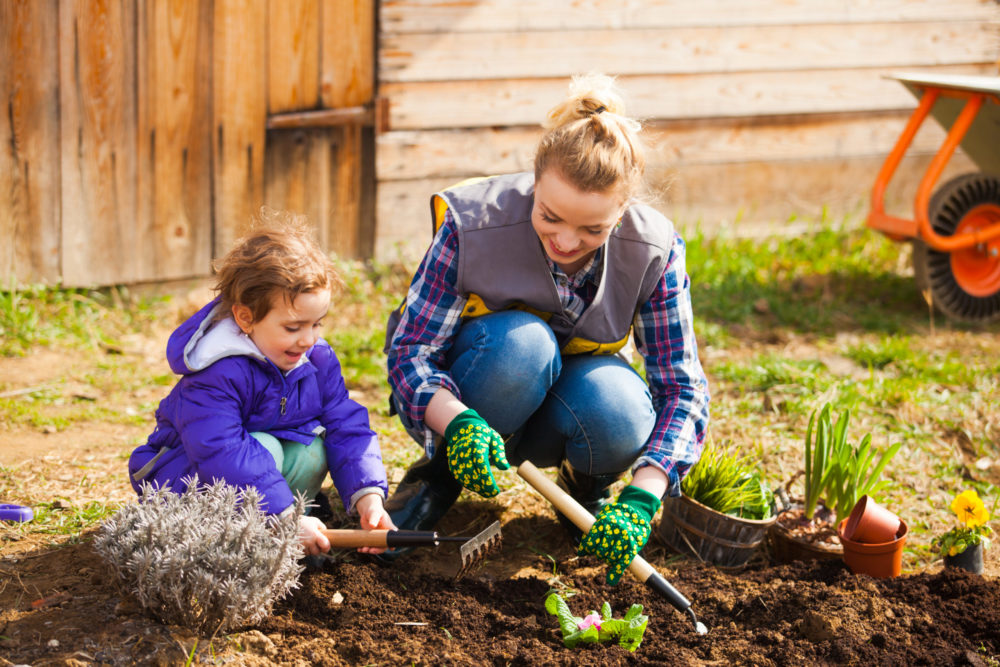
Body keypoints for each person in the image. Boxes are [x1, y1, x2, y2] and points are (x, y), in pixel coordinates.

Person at [382, 73, 710, 584]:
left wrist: (645, 491)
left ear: (622, 212)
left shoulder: (654, 250)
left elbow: (682, 387)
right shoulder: (472, 224)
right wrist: (458, 421)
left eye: (592, 229)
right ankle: (442, 474)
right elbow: (412, 353)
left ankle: (583, 490)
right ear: (534, 183)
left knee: (620, 406)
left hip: (566, 404)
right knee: (526, 346)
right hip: (477, 393)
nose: (565, 240)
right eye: (550, 216)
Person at [128, 210, 394, 556]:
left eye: (317, 324)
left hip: (254, 485)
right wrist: (283, 513)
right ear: (245, 318)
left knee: (314, 449)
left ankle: (282, 543)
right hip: (184, 479)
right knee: (265, 447)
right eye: (293, 327)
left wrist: (368, 497)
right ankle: (240, 545)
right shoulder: (217, 373)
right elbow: (221, 450)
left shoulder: (316, 360)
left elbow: (347, 424)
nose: (308, 339)